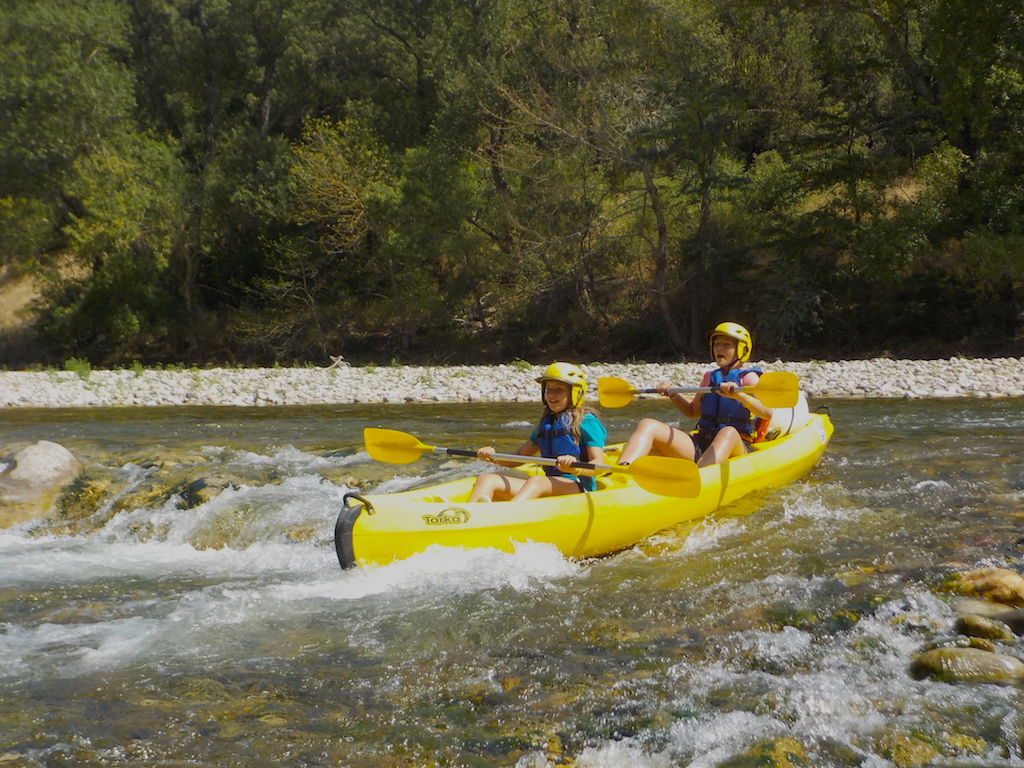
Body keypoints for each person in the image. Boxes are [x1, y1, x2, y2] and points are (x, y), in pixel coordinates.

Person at [616, 322, 773, 468]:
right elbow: (693, 412)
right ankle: (624, 469)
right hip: (701, 443)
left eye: (726, 344)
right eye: (717, 344)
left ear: (742, 350)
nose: (719, 348)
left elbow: (766, 412)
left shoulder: (748, 378)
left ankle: (699, 477)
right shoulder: (709, 377)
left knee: (728, 431)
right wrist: (673, 395)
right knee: (647, 424)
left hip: (736, 445)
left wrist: (740, 396)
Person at [467, 362, 607, 502]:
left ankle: (507, 515)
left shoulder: (587, 422)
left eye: (559, 389)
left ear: (575, 393)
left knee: (537, 481)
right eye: (548, 389)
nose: (551, 394)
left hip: (578, 485)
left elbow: (599, 463)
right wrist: (493, 456)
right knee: (487, 479)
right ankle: (468, 517)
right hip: (550, 483)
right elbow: (520, 455)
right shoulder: (546, 424)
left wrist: (575, 467)